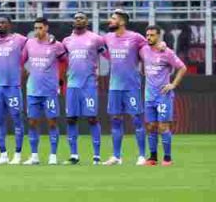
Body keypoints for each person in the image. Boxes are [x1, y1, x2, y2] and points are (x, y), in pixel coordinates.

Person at [102, 9, 148, 166]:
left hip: (131, 86)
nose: (110, 20)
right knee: (115, 120)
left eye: (113, 18)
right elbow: (98, 48)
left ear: (122, 22)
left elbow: (150, 48)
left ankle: (142, 156)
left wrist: (161, 45)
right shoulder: (107, 38)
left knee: (136, 120)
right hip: (114, 87)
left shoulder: (135, 37)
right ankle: (116, 156)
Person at [61, 12, 105, 165]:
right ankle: (74, 155)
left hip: (89, 84)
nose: (78, 20)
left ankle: (97, 156)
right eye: (76, 18)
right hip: (72, 85)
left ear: (87, 22)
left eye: (81, 18)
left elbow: (109, 54)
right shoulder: (66, 41)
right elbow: (60, 59)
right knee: (71, 119)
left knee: (92, 118)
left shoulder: (96, 39)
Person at [22, 18, 67, 165]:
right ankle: (34, 156)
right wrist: (26, 73)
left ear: (46, 28)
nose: (37, 31)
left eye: (40, 28)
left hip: (49, 91)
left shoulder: (56, 45)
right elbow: (21, 60)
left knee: (52, 122)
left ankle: (53, 155)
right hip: (32, 90)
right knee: (32, 122)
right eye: (35, 28)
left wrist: (60, 78)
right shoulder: (29, 43)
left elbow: (65, 61)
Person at [140, 25, 187, 166]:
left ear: (159, 36)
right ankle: (153, 158)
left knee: (163, 127)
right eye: (147, 35)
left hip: (163, 96)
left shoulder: (167, 52)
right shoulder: (143, 50)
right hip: (149, 96)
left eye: (152, 35)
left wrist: (173, 85)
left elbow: (182, 68)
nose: (149, 37)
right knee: (150, 126)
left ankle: (167, 158)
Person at [0, 16, 27, 164]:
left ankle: (17, 154)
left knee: (17, 118)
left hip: (13, 86)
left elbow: (35, 44)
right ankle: (3, 155)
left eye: (3, 23)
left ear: (10, 25)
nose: (0, 25)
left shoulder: (19, 39)